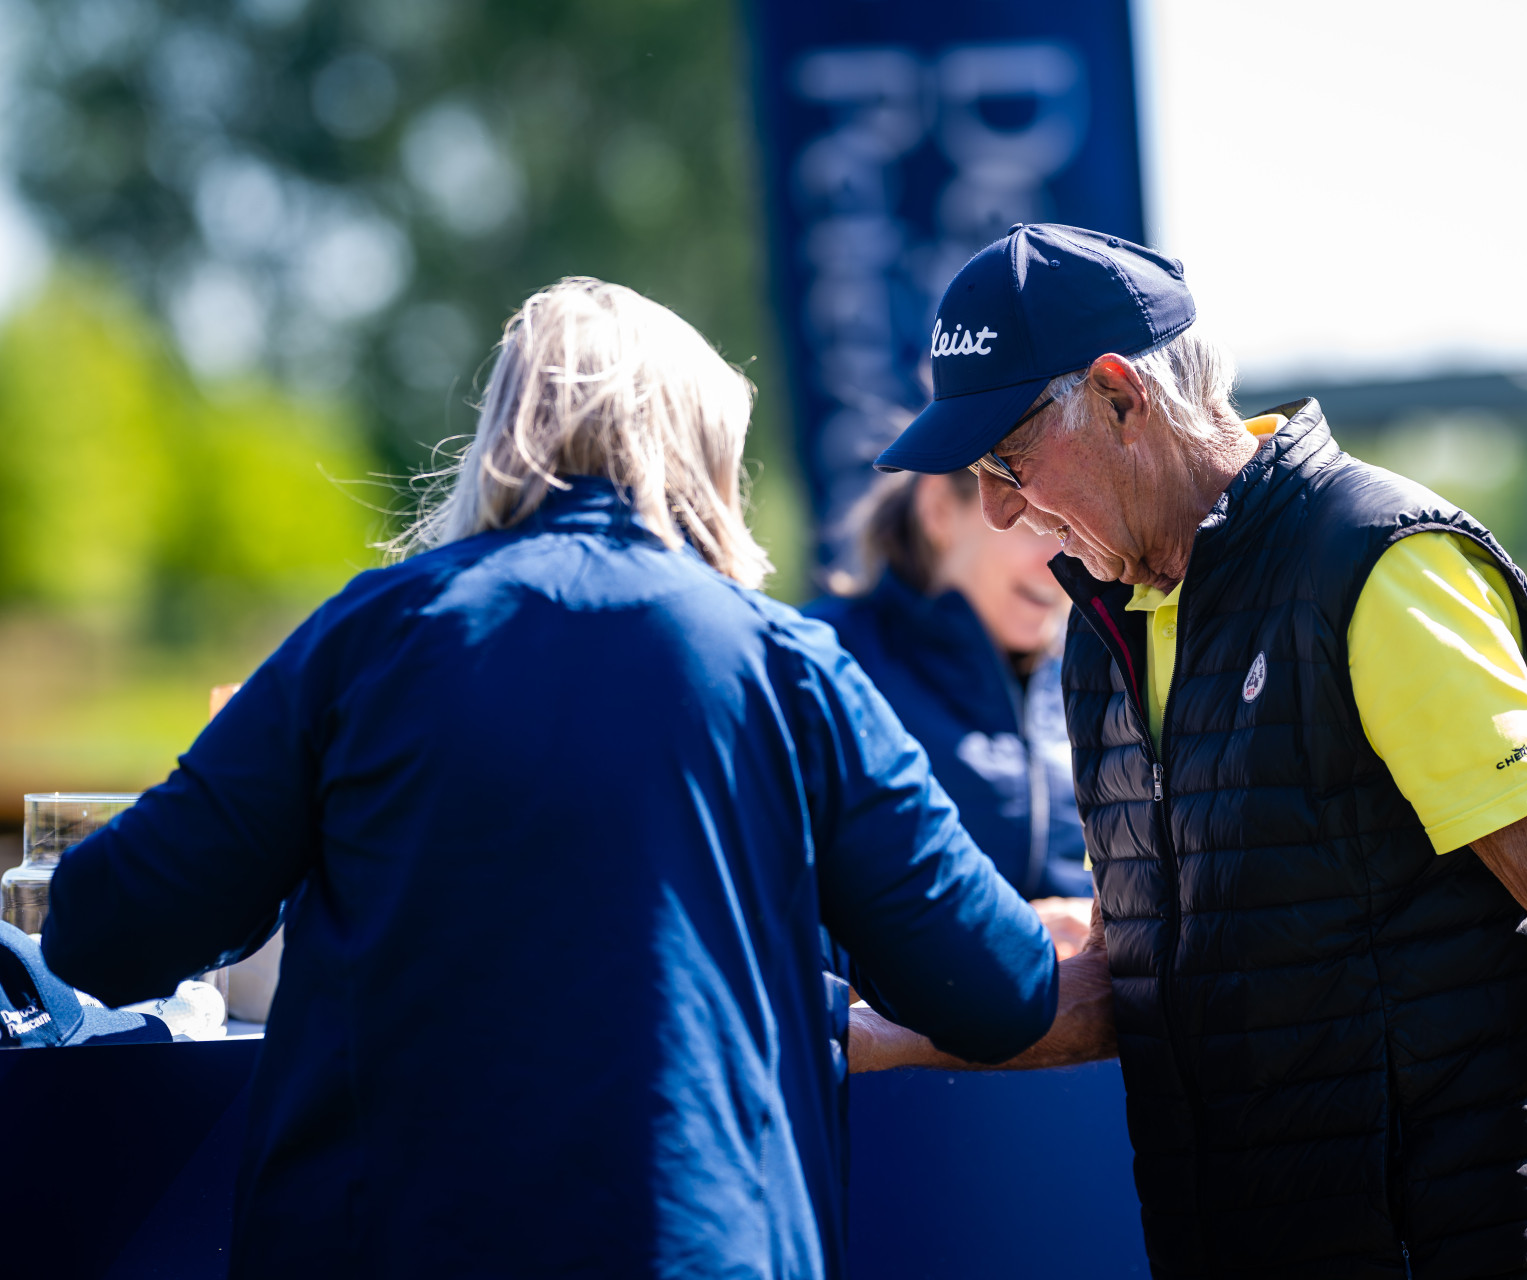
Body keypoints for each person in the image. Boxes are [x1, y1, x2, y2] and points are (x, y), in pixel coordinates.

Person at [40, 278, 1062, 1280]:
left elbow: (102, 927)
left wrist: (269, 856)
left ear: (498, 437)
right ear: (709, 458)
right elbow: (998, 988)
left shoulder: (364, 641)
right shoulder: (788, 667)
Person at [850, 224, 1527, 1279]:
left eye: (1004, 459)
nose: (1000, 509)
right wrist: (872, 1030)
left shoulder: (1373, 564)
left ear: (1119, 397)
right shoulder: (1104, 626)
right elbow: (1139, 986)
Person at [806, 469, 1093, 953]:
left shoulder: (1105, 666)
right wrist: (1003, 942)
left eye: (1073, 527)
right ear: (939, 510)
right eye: (1034, 522)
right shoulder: (819, 664)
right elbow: (773, 916)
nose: (1066, 561)